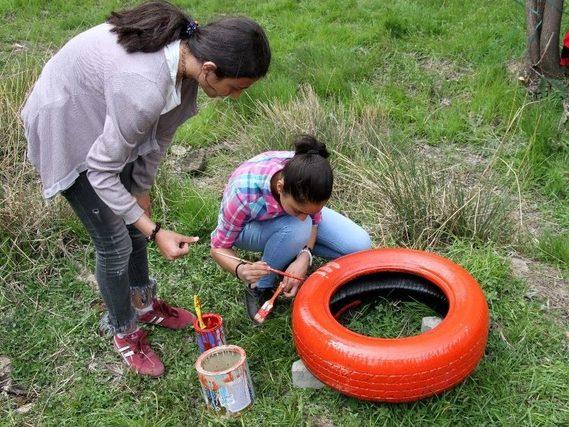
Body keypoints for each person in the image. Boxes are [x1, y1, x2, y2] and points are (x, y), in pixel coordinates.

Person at [20, 1, 271, 377]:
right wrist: (153, 230)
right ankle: (124, 330)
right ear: (210, 69)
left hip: (106, 119)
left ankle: (143, 304)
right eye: (235, 87)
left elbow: (157, 142)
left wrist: (141, 194)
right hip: (69, 122)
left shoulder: (187, 70)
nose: (236, 97)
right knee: (115, 241)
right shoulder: (143, 87)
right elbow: (102, 170)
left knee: (135, 220)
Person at [210, 135, 372, 323]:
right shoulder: (242, 193)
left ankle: (289, 250)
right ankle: (260, 286)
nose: (307, 216)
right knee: (298, 227)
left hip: (291, 226)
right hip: (249, 228)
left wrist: (305, 256)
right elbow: (218, 248)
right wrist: (240, 270)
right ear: (280, 187)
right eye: (299, 210)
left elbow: (314, 220)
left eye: (312, 210)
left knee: (360, 245)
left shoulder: (308, 174)